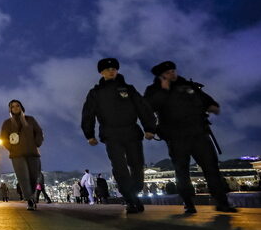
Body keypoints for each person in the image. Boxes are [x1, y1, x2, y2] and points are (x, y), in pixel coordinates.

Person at [144, 61, 237, 213]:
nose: (172, 74)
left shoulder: (188, 85)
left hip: (199, 133)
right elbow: (147, 108)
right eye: (168, 73)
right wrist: (163, 92)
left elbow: (206, 100)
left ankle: (222, 201)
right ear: (161, 76)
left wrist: (212, 106)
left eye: (173, 71)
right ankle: (188, 202)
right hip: (176, 136)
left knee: (211, 168)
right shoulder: (154, 90)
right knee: (182, 171)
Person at [81, 58, 156, 213]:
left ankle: (134, 193)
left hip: (132, 132)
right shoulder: (96, 93)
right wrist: (89, 134)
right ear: (101, 72)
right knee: (119, 168)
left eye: (114, 68)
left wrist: (149, 128)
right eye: (107, 69)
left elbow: (143, 108)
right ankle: (130, 199)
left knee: (137, 165)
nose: (111, 71)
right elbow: (88, 114)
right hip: (111, 134)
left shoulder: (129, 89)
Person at [0, 99, 44, 211]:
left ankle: (32, 196)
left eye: (17, 106)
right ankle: (29, 200)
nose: (15, 108)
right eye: (12, 106)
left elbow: (39, 132)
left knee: (34, 177)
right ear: (10, 109)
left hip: (32, 153)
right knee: (23, 177)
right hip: (17, 155)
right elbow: (3, 138)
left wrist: (37, 143)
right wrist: (11, 148)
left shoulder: (30, 120)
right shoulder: (7, 123)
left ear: (21, 107)